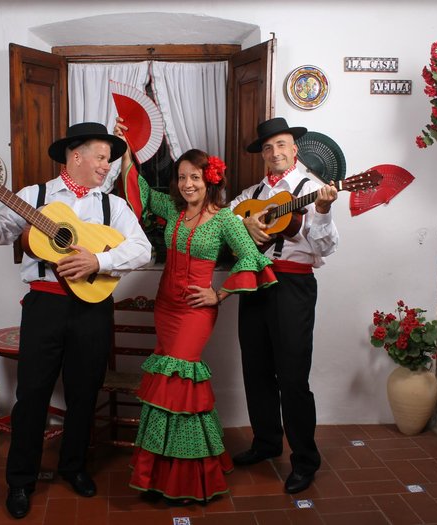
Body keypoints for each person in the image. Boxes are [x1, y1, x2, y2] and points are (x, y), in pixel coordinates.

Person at [0, 122, 152, 519]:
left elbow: (142, 250)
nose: (107, 166)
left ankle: (74, 467)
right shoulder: (34, 197)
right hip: (44, 307)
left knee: (85, 392)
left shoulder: (112, 205)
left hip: (93, 309)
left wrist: (98, 260)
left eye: (109, 159)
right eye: (101, 157)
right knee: (31, 395)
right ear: (76, 155)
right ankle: (20, 481)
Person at [114, 118, 277, 505]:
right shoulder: (172, 210)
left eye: (195, 178)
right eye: (182, 177)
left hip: (195, 312)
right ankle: (159, 473)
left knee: (180, 383)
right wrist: (125, 150)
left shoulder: (224, 220)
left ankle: (186, 478)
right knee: (167, 387)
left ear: (210, 180)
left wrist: (218, 296)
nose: (188, 184)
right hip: (166, 306)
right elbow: (137, 188)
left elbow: (252, 260)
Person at [229, 117, 339, 494]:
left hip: (292, 284)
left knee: (292, 376)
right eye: (268, 147)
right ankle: (265, 443)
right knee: (255, 368)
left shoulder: (314, 189)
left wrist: (322, 212)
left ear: (295, 148)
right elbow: (227, 223)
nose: (275, 152)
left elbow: (324, 248)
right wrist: (243, 226)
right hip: (254, 281)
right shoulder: (251, 193)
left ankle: (305, 460)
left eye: (281, 145)